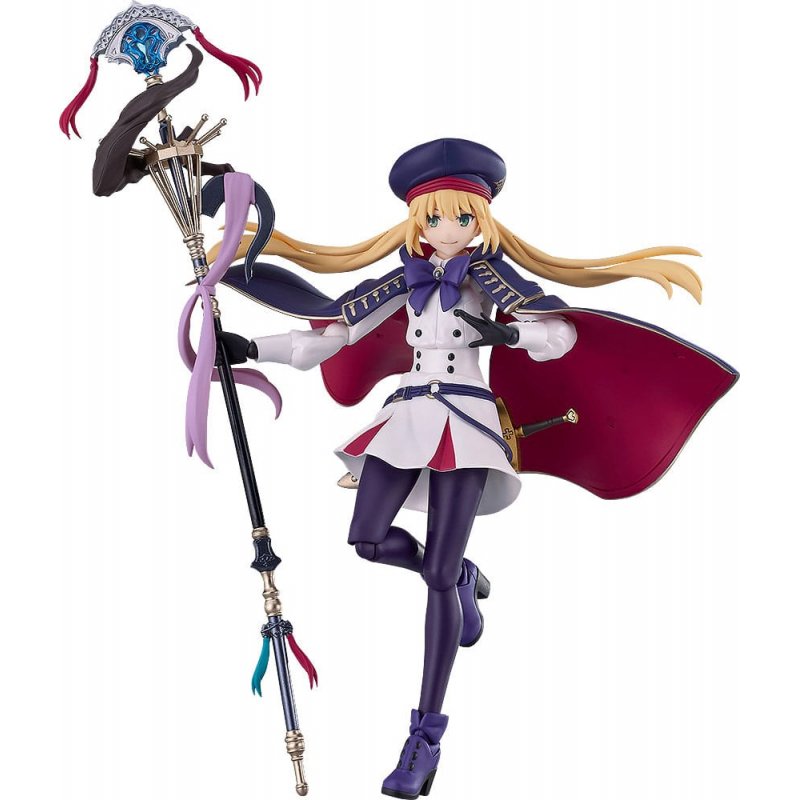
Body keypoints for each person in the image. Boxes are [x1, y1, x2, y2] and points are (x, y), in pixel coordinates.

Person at [217, 138, 737, 799]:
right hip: (406, 416)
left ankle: (424, 737)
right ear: (416, 221)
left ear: (481, 220)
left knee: (434, 576)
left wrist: (512, 333)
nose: (447, 229)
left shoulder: (491, 279)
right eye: (435, 218)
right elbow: (330, 336)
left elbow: (561, 334)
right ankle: (461, 573)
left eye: (461, 218)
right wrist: (248, 347)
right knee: (367, 540)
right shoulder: (402, 281)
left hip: (465, 421)